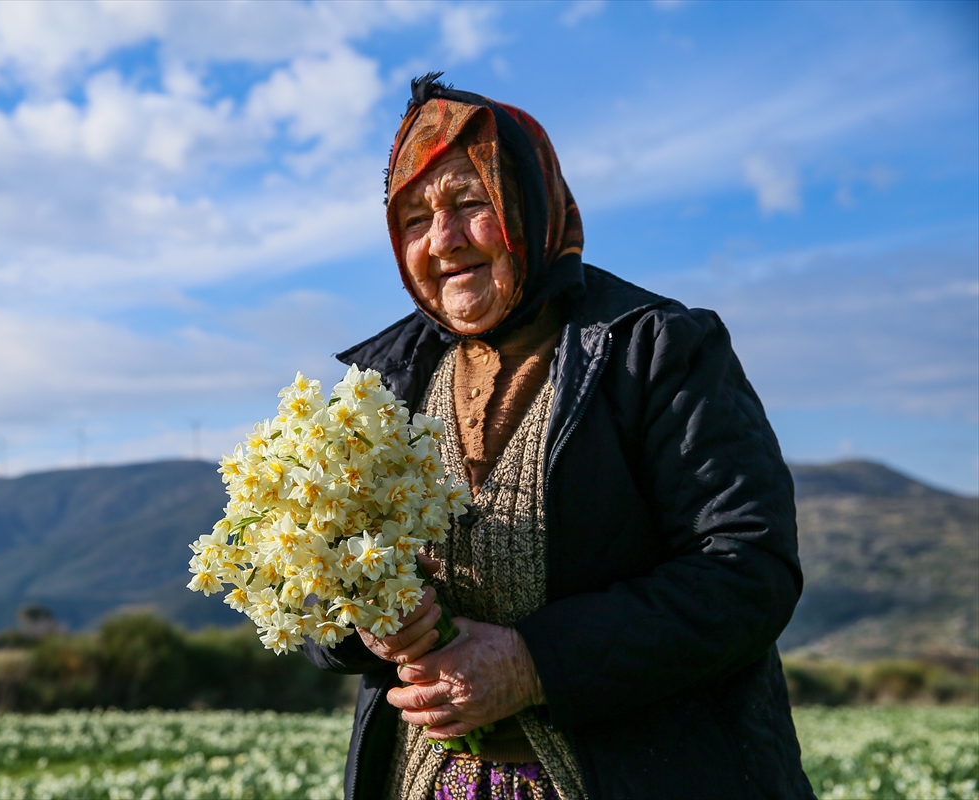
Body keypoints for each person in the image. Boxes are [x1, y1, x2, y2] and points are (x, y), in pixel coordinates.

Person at [303, 74, 815, 800]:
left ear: (532, 205)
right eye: (415, 218)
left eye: (469, 203)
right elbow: (319, 604)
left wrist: (531, 664)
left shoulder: (657, 351)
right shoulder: (385, 384)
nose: (442, 241)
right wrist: (366, 623)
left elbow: (746, 570)